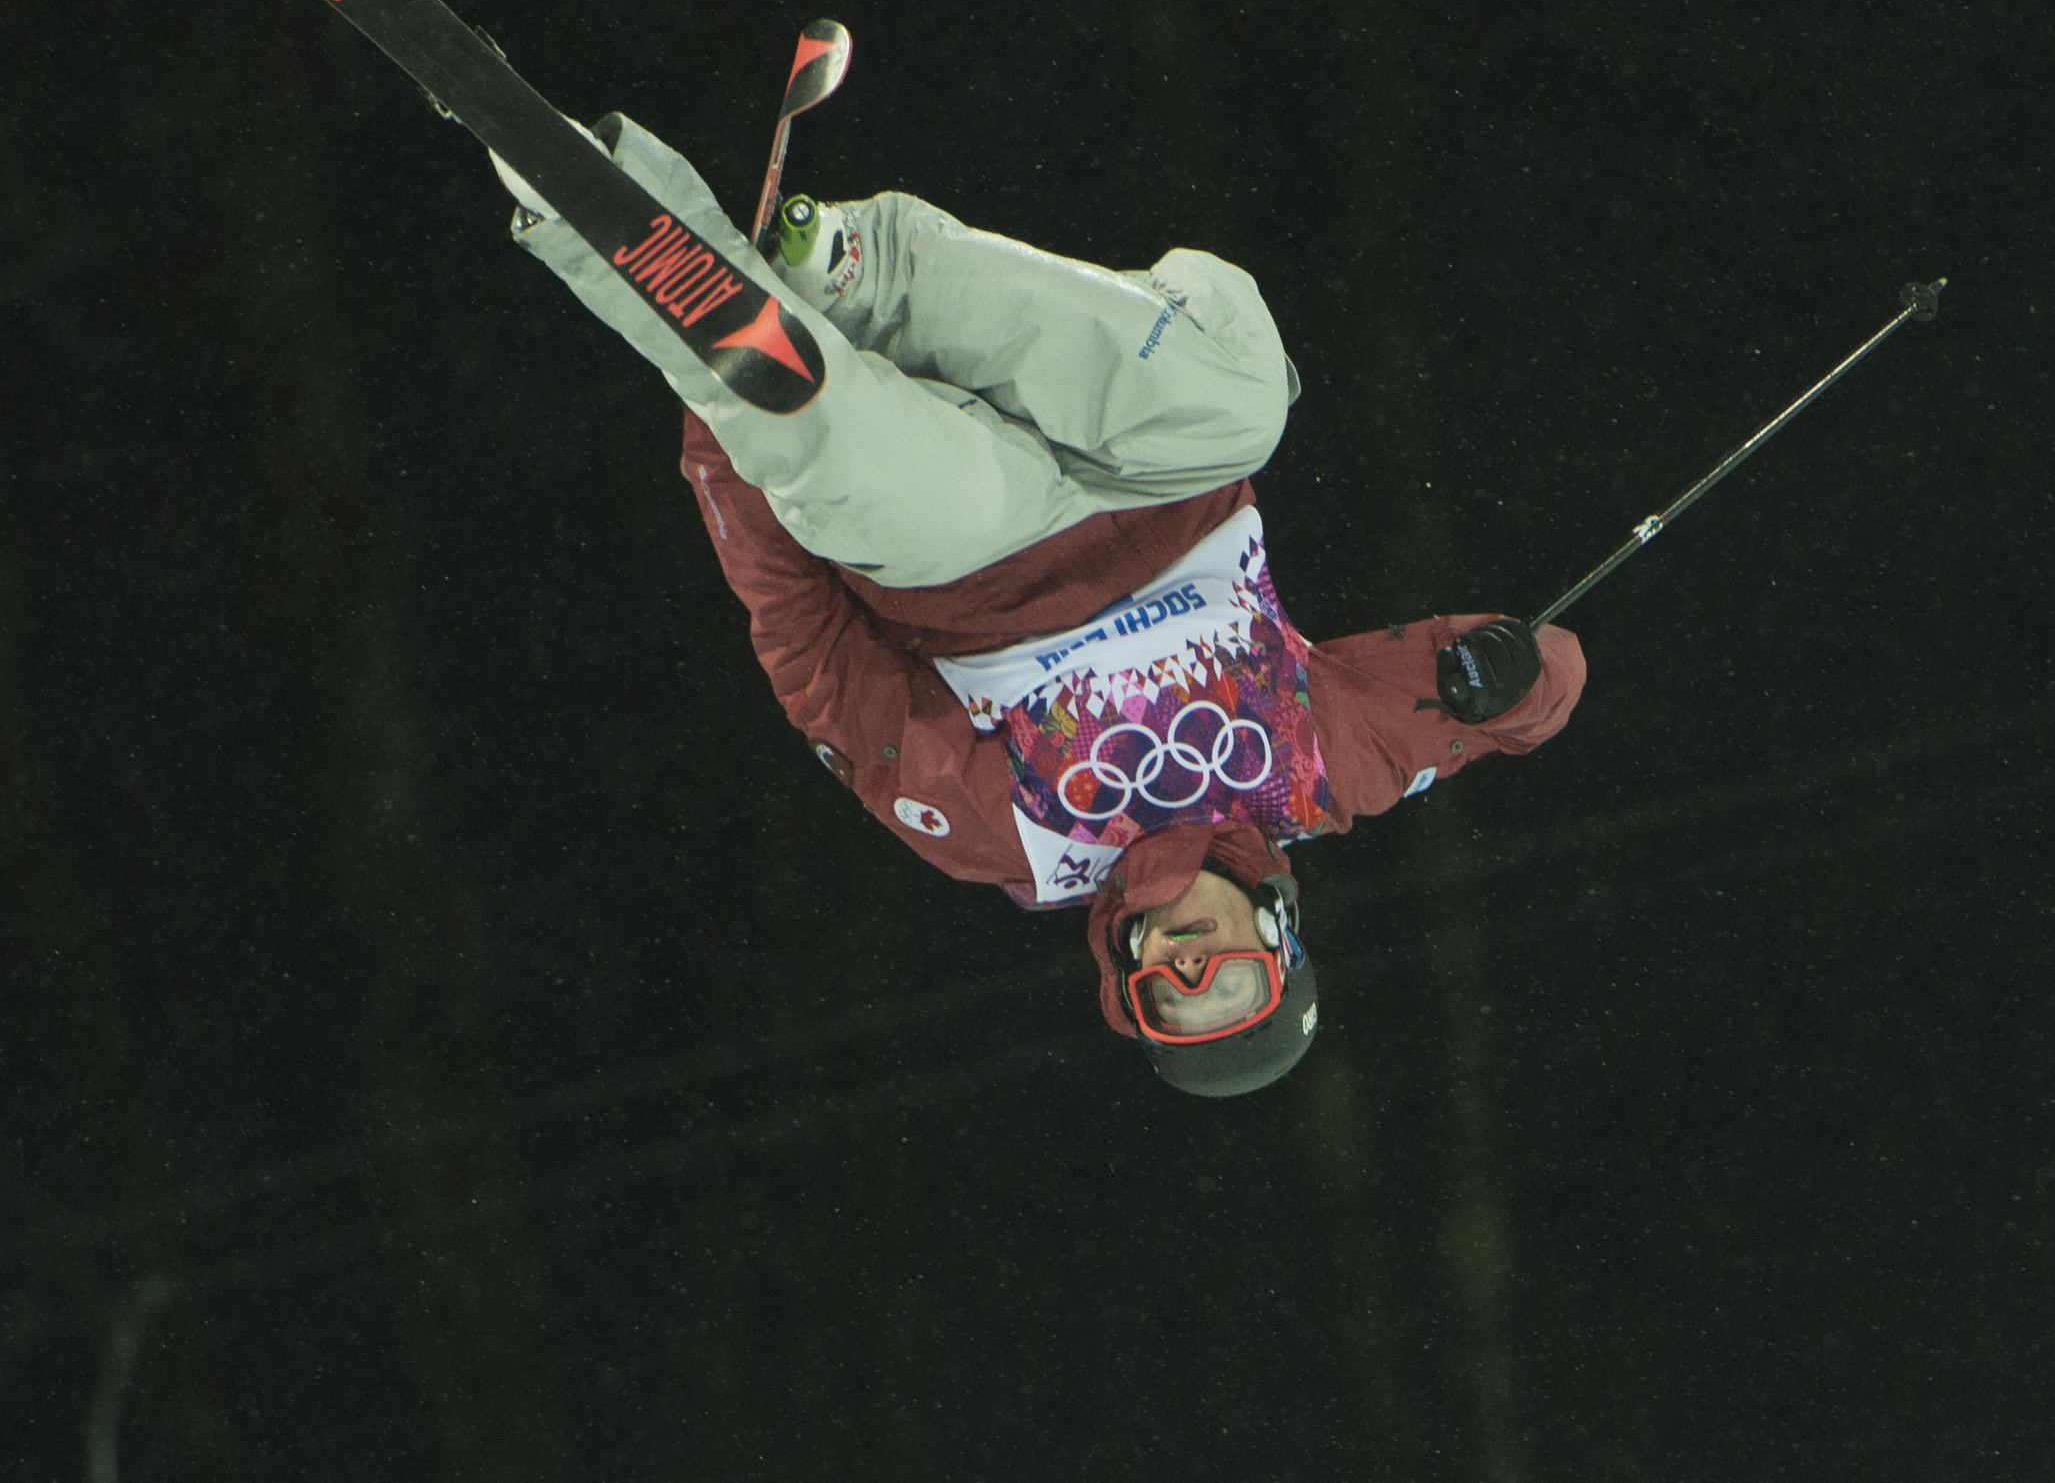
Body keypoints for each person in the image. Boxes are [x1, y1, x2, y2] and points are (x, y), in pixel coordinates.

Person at [487, 112, 1586, 1097]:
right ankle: (870, 272)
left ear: (1128, 978)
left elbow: (818, 668)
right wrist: (1510, 685)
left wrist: (733, 440)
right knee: (1252, 403)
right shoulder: (1319, 774)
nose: (1191, 961)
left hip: (976, 554)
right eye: (1230, 977)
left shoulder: (1016, 842)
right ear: (1277, 933)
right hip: (1162, 479)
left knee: (884, 474)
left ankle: (585, 193)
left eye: (1170, 991)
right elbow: (1531, 690)